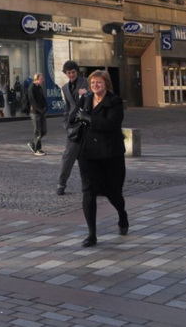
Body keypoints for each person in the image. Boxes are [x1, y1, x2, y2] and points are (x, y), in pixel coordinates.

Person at [72, 70, 129, 247]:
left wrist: (88, 118)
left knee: (113, 193)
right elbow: (74, 117)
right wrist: (76, 120)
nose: (95, 86)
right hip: (88, 153)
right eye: (93, 83)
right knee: (88, 191)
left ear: (106, 84)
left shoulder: (115, 101)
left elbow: (112, 124)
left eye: (99, 83)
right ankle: (92, 234)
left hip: (110, 154)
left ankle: (122, 214)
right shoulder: (85, 99)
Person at [57, 60, 88, 196]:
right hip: (73, 126)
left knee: (89, 157)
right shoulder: (64, 88)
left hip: (87, 124)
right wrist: (66, 123)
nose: (71, 75)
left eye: (73, 72)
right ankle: (61, 184)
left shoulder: (87, 82)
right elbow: (68, 107)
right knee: (68, 156)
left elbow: (93, 99)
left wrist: (85, 94)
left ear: (77, 71)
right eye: (68, 73)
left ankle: (92, 186)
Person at [22, 73, 48, 156]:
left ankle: (33, 143)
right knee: (37, 132)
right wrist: (40, 110)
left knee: (44, 130)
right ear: (36, 79)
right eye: (41, 78)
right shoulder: (32, 88)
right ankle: (37, 149)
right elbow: (32, 101)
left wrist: (45, 107)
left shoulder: (39, 87)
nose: (42, 80)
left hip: (41, 112)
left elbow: (43, 98)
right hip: (35, 113)